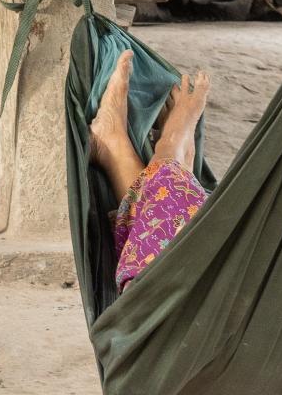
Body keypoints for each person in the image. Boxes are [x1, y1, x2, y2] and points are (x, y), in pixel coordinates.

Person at [88, 51, 212, 288]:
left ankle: (169, 150)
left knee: (172, 196)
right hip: (176, 294)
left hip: (159, 297)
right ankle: (122, 147)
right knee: (179, 211)